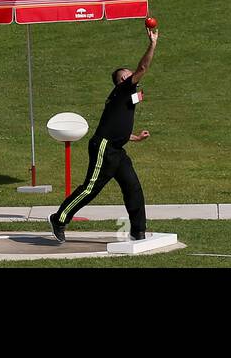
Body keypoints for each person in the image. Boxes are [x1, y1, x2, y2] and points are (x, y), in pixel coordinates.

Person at [50, 25, 159, 243]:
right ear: (122, 80)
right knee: (91, 188)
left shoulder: (126, 98)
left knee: (133, 188)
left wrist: (136, 137)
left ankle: (138, 231)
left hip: (117, 150)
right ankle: (59, 218)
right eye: (128, 74)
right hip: (104, 147)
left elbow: (117, 125)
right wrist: (152, 43)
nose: (132, 75)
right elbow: (143, 67)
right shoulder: (122, 90)